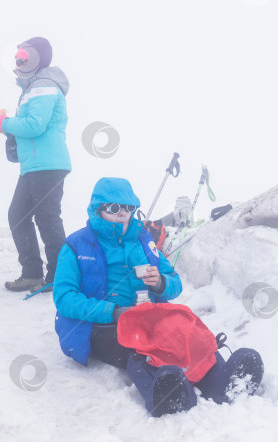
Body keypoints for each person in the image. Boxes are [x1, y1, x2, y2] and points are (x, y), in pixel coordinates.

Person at [53, 178, 264, 417]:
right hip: (102, 323)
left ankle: (224, 382)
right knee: (139, 346)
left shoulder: (143, 240)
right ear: (97, 209)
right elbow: (64, 297)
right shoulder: (76, 245)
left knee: (188, 330)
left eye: (128, 207)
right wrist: (112, 311)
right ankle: (167, 393)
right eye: (114, 207)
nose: (123, 213)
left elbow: (174, 283)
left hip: (146, 315)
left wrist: (160, 282)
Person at [0, 37, 71, 293]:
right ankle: (32, 273)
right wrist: (7, 126)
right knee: (19, 215)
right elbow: (29, 126)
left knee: (47, 218)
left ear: (36, 57)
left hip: (48, 164)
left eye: (23, 57)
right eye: (17, 58)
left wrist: (4, 123)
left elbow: (35, 125)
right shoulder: (32, 87)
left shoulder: (44, 86)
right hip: (34, 165)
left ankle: (60, 276)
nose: (18, 62)